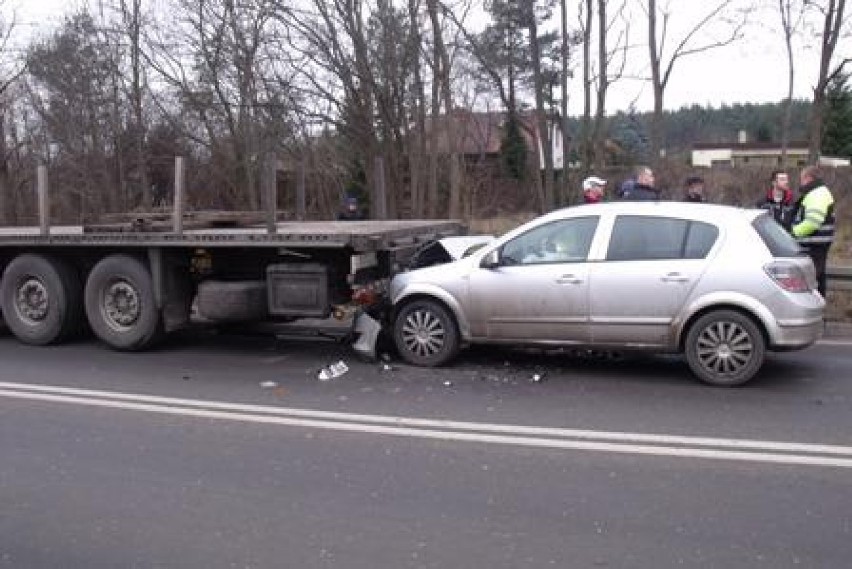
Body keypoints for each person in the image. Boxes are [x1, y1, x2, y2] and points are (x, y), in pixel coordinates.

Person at [790, 165, 835, 297]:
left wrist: (792, 233)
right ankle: (818, 308)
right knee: (817, 278)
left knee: (813, 280)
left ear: (808, 178)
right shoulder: (818, 192)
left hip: (814, 244)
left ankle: (816, 308)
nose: (800, 182)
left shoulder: (817, 194)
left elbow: (812, 222)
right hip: (816, 243)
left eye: (801, 179)